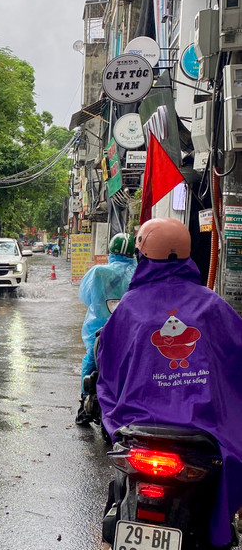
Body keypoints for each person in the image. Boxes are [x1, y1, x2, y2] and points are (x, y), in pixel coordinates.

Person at [97, 217, 242, 548]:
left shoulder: (130, 308)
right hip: (205, 434)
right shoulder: (213, 305)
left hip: (138, 428)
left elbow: (108, 370)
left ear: (143, 256)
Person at [74, 232, 137, 425]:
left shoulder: (99, 272)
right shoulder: (141, 272)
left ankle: (84, 402)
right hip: (132, 330)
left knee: (91, 361)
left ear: (110, 251)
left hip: (100, 328)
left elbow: (86, 297)